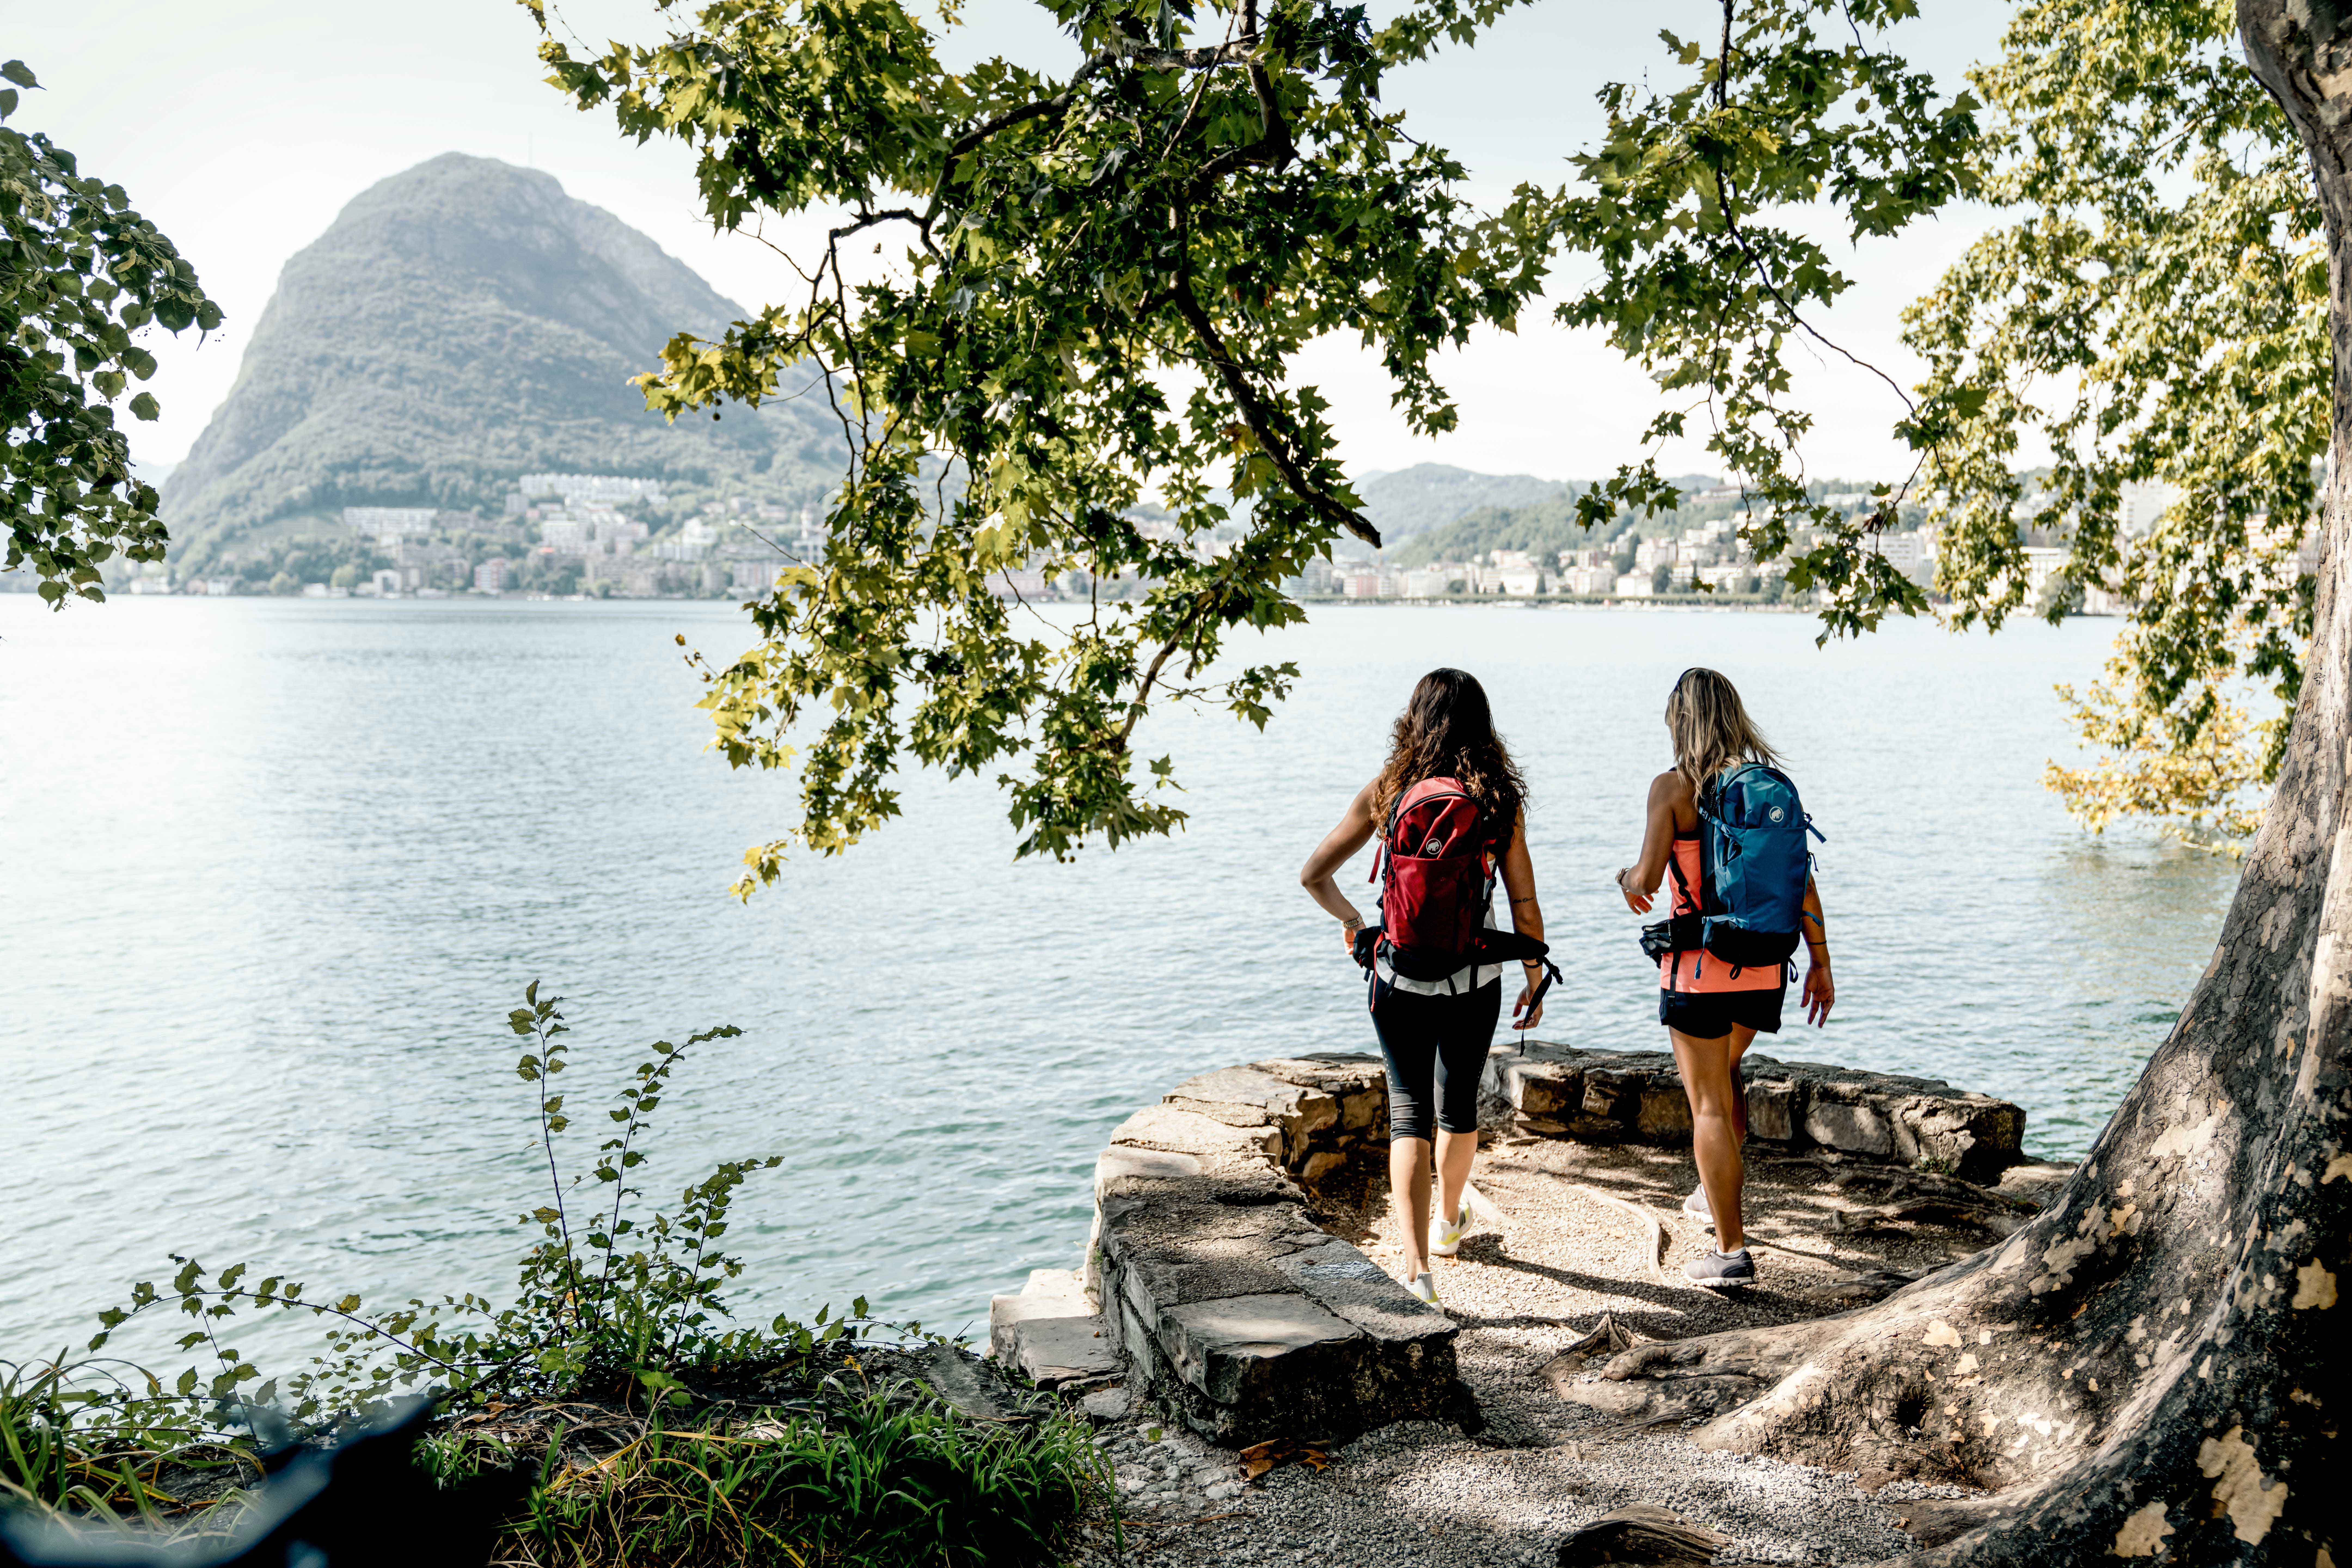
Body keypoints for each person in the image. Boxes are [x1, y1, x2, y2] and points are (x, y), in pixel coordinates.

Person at [1299, 668, 1548, 1307]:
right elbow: (1523, 899)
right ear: (1482, 726)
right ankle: (1448, 1224)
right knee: (1458, 1104)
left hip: (1398, 975)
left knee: (1408, 1113)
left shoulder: (1390, 791)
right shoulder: (1496, 800)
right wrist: (1534, 974)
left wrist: (1356, 924)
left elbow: (1314, 876)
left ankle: (1416, 1274)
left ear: (1415, 720)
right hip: (1476, 978)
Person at [1615, 667, 1832, 1289]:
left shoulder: (1673, 789)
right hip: (1767, 967)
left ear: (1680, 721)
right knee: (1729, 1075)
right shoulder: (1769, 789)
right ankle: (1712, 1195)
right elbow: (1803, 881)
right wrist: (1821, 961)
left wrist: (1625, 878)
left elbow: (1648, 880)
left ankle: (1732, 1253)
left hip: (1700, 973)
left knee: (1707, 1104)